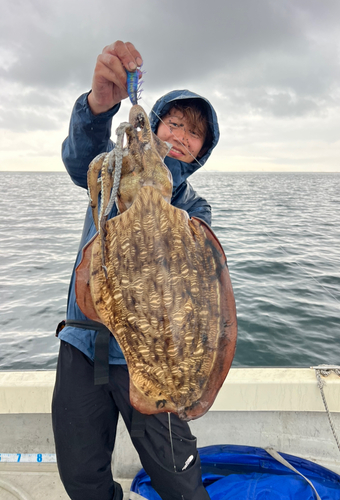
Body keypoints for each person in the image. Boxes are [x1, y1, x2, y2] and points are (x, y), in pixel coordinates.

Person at [52, 41, 219, 500]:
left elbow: (201, 289)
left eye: (195, 133)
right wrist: (97, 107)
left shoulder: (194, 208)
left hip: (153, 358)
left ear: (201, 150)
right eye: (176, 123)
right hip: (84, 345)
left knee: (182, 486)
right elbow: (79, 156)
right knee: (82, 479)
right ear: (158, 125)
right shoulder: (110, 172)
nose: (182, 135)